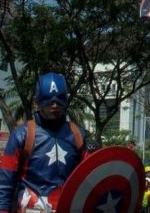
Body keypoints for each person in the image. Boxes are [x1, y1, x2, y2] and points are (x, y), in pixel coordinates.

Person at [0, 72, 87, 212]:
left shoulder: (78, 135)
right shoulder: (21, 136)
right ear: (36, 101)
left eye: (60, 99)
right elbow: (4, 183)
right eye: (48, 99)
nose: (54, 105)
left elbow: (91, 178)